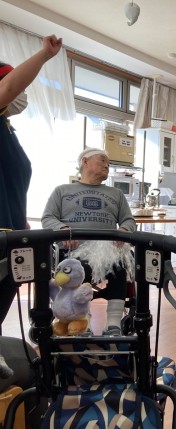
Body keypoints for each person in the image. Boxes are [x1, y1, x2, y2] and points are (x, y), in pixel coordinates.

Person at [0, 34, 63, 380]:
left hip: (10, 232)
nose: (21, 95)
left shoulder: (7, 129)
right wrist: (43, 55)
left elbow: (11, 180)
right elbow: (9, 87)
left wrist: (22, 222)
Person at [41, 148, 136, 336]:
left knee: (119, 265)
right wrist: (62, 229)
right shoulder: (62, 191)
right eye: (102, 160)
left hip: (107, 251)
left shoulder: (116, 194)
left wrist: (124, 231)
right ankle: (81, 321)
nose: (107, 165)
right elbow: (48, 217)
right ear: (85, 162)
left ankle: (113, 324)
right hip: (73, 252)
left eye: (108, 163)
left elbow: (128, 220)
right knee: (77, 270)